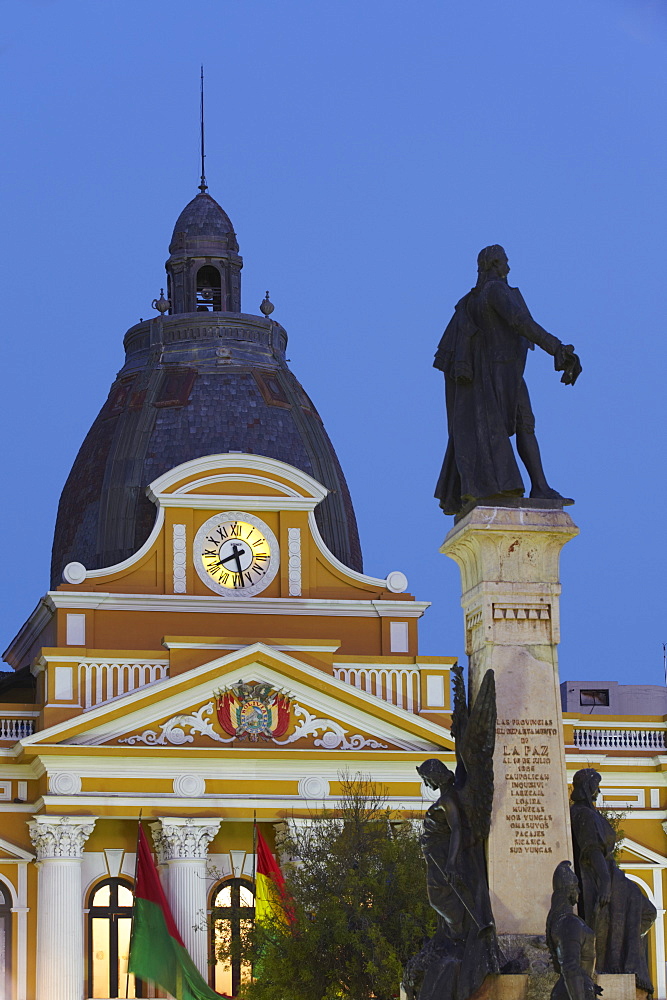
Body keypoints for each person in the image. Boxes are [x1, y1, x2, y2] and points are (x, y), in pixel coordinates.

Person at [434, 245, 582, 516]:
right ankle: (537, 486)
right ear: (493, 265)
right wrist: (557, 348)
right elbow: (521, 322)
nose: (508, 269)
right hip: (499, 375)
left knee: (525, 423)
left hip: (490, 377)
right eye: (504, 263)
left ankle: (540, 486)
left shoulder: (469, 300)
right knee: (525, 423)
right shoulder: (495, 291)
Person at [570, 769, 656, 995]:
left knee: (644, 913)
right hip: (603, 877)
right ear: (588, 788)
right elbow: (593, 850)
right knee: (645, 911)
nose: (598, 791)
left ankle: (624, 957)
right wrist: (606, 883)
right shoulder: (583, 815)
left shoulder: (587, 812)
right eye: (596, 786)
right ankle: (620, 961)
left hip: (609, 875)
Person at [546, 860, 600, 1000]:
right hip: (573, 993)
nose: (579, 891)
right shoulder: (569, 923)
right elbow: (570, 968)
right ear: (569, 891)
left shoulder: (565, 922)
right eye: (576, 887)